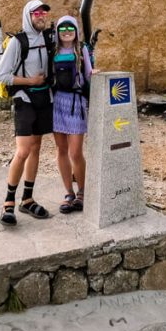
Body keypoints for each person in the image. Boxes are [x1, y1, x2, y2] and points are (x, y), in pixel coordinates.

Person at [0, 0, 54, 225]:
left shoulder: (47, 39)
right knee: (23, 151)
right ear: (28, 16)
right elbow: (2, 75)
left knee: (36, 148)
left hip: (43, 98)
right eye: (36, 13)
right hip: (24, 98)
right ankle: (8, 203)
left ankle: (27, 199)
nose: (41, 16)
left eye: (43, 13)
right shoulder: (18, 42)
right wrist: (30, 81)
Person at [50, 15, 93, 213]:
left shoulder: (81, 49)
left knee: (75, 152)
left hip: (76, 103)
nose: (66, 32)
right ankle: (69, 193)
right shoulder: (53, 50)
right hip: (57, 102)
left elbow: (88, 74)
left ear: (76, 31)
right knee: (61, 150)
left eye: (70, 29)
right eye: (62, 29)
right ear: (58, 31)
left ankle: (83, 192)